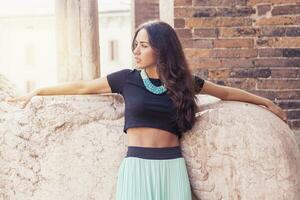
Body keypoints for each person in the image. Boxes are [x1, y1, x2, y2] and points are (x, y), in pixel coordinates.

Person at [6, 20, 287, 200]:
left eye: (143, 46)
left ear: (161, 50)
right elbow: (83, 88)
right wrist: (37, 91)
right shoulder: (126, 78)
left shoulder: (184, 83)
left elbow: (225, 93)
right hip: (136, 169)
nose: (136, 52)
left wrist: (267, 102)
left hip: (173, 168)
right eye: (135, 46)